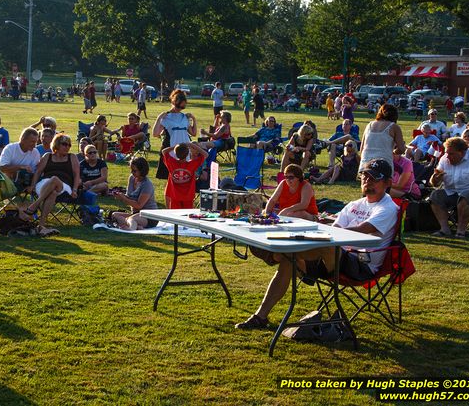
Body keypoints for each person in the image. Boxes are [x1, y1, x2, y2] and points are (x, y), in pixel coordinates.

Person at [236, 158, 398, 329]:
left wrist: (326, 233)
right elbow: (335, 228)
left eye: (373, 178)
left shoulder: (388, 208)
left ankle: (278, 252)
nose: (367, 181)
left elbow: (363, 229)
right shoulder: (354, 204)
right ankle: (260, 316)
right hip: (332, 258)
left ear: (387, 182)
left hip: (360, 264)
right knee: (290, 260)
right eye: (365, 176)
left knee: (326, 245)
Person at [21, 134, 83, 235]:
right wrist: (32, 185)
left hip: (64, 186)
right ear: (57, 145)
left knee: (54, 179)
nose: (67, 147)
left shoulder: (72, 157)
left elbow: (77, 175)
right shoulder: (47, 156)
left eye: (69, 145)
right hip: (44, 184)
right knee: (53, 192)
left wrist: (75, 190)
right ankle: (41, 226)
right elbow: (38, 172)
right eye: (64, 144)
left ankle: (35, 205)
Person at [429, 137, 469, 238]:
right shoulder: (444, 159)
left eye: (451, 154)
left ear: (462, 152)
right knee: (435, 195)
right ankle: (444, 229)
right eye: (446, 153)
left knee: (466, 196)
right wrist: (435, 178)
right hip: (452, 193)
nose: (447, 157)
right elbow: (434, 183)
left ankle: (461, 231)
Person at [153, 89, 197, 183]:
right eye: (178, 106)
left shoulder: (184, 117)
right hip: (170, 147)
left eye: (182, 107)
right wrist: (159, 118)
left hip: (184, 148)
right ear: (173, 102)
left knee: (184, 174)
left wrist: (193, 119)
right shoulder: (166, 117)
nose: (179, 109)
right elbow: (155, 134)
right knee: (170, 175)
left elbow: (193, 133)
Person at [112, 157, 159, 230]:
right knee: (115, 215)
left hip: (149, 216)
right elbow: (129, 197)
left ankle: (130, 229)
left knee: (131, 219)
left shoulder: (147, 184)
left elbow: (139, 205)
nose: (132, 172)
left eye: (134, 171)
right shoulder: (132, 178)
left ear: (142, 171)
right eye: (131, 170)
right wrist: (121, 196)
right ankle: (137, 226)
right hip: (136, 214)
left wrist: (124, 198)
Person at [359, 104, 406, 173]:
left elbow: (361, 149)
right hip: (384, 163)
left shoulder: (369, 125)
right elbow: (402, 149)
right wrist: (394, 152)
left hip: (365, 163)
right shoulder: (394, 127)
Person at [162, 142, 208, 209]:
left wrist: (175, 146)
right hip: (188, 196)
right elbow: (206, 154)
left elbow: (164, 151)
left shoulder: (171, 163)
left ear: (175, 153)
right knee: (187, 215)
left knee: (175, 216)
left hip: (175, 195)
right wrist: (192, 145)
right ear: (187, 154)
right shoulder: (192, 165)